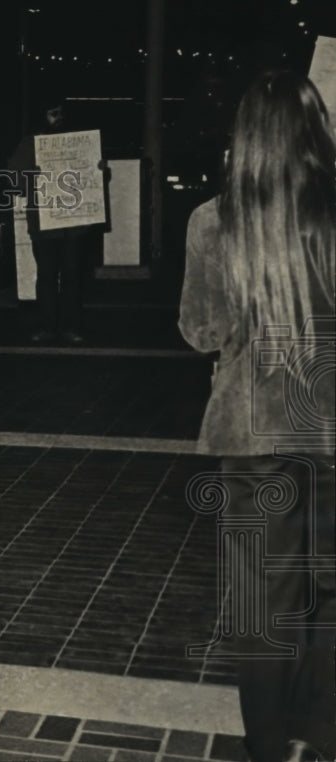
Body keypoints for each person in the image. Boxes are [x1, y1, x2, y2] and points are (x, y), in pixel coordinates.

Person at [179, 70, 335, 762]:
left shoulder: (212, 222)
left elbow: (201, 331)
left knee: (259, 608)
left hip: (251, 440)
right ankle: (325, 727)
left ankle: (267, 747)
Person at [8, 99, 89, 345]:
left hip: (72, 226)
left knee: (72, 277)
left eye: (61, 113)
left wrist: (98, 170)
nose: (58, 118)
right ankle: (48, 326)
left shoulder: (78, 143)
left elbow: (91, 177)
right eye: (53, 113)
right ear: (42, 116)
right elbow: (14, 178)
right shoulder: (29, 144)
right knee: (46, 276)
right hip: (44, 226)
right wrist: (33, 176)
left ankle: (70, 326)